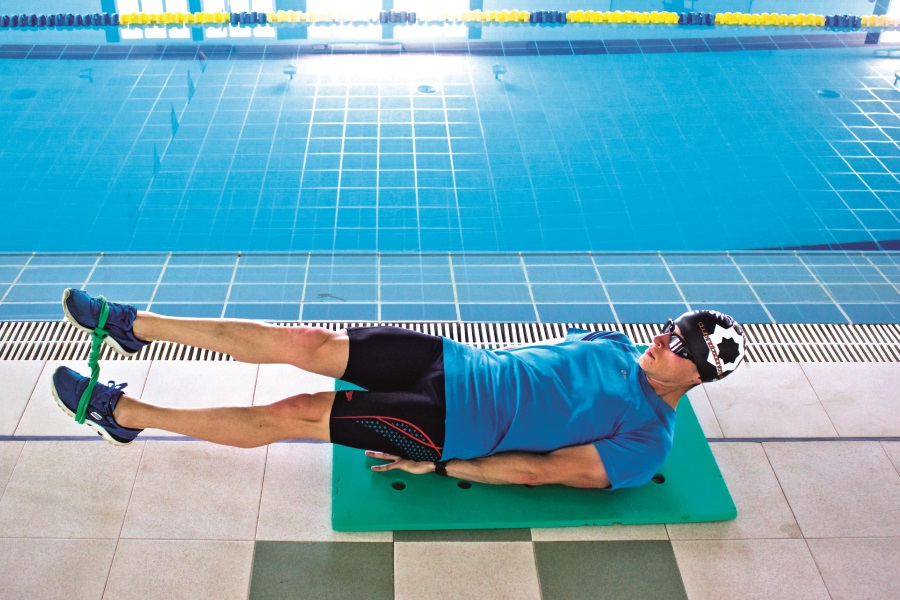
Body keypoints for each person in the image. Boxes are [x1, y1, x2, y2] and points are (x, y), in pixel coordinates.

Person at [51, 288, 745, 490]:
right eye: (668, 328)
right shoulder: (617, 346)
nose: (660, 340)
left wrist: (443, 464)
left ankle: (125, 412)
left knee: (293, 413)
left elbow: (541, 471)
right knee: (306, 343)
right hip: (454, 360)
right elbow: (530, 358)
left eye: (677, 347)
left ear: (698, 377)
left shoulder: (645, 443)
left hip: (447, 425)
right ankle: (133, 325)